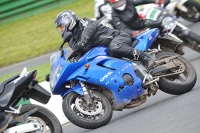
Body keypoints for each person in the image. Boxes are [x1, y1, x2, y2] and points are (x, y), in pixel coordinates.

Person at [54, 10, 156, 69]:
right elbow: (78, 56)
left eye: (61, 26)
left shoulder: (84, 23)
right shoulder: (72, 40)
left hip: (118, 38)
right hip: (106, 52)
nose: (61, 30)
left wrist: (81, 43)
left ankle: (145, 57)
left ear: (69, 21)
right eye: (60, 28)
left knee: (114, 48)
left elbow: (88, 33)